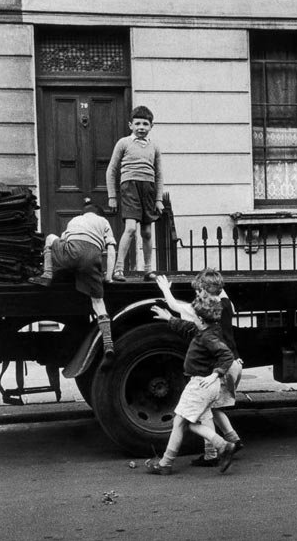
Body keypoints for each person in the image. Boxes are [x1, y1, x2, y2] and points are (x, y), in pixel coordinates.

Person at [155, 269, 244, 467]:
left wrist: (164, 289)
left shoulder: (202, 313)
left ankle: (213, 452)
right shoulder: (224, 305)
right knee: (215, 406)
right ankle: (234, 440)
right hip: (236, 364)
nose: (196, 294)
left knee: (207, 411)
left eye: (199, 291)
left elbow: (174, 306)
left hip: (221, 367)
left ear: (204, 291)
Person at [29, 200, 117, 370]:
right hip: (92, 257)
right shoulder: (103, 222)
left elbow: (61, 242)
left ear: (85, 213)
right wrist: (108, 276)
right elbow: (111, 249)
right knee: (98, 303)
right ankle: (108, 344)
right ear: (99, 214)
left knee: (50, 239)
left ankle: (47, 275)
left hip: (70, 253)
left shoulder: (74, 220)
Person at [106, 105, 164, 282]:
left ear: (151, 126)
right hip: (129, 187)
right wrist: (112, 196)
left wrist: (159, 199)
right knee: (130, 228)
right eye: (137, 123)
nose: (141, 127)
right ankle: (118, 269)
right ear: (130, 125)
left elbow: (159, 174)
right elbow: (111, 170)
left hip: (148, 190)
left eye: (145, 124)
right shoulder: (123, 143)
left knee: (146, 232)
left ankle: (148, 270)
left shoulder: (154, 146)